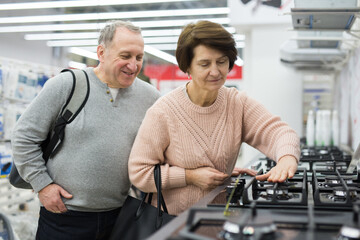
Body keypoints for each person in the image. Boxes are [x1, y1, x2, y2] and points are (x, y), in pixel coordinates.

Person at [128, 20, 300, 216]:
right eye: (204, 64)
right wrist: (190, 177)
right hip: (174, 224)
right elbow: (139, 173)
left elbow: (280, 132)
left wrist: (286, 158)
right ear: (188, 67)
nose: (215, 71)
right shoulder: (163, 112)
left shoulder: (237, 103)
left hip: (219, 219)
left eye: (221, 61)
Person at [11, 20, 160, 239]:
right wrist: (43, 186)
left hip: (120, 216)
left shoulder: (150, 98)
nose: (134, 65)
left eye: (139, 57)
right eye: (125, 56)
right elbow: (24, 137)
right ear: (102, 52)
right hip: (63, 216)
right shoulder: (65, 85)